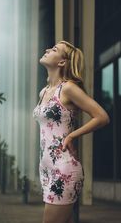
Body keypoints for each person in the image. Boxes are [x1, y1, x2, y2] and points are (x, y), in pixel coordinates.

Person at [32, 40, 110, 223]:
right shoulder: (43, 92)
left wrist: (72, 135)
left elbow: (102, 116)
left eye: (54, 49)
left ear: (62, 62)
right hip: (46, 168)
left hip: (64, 169)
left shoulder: (68, 88)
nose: (47, 49)